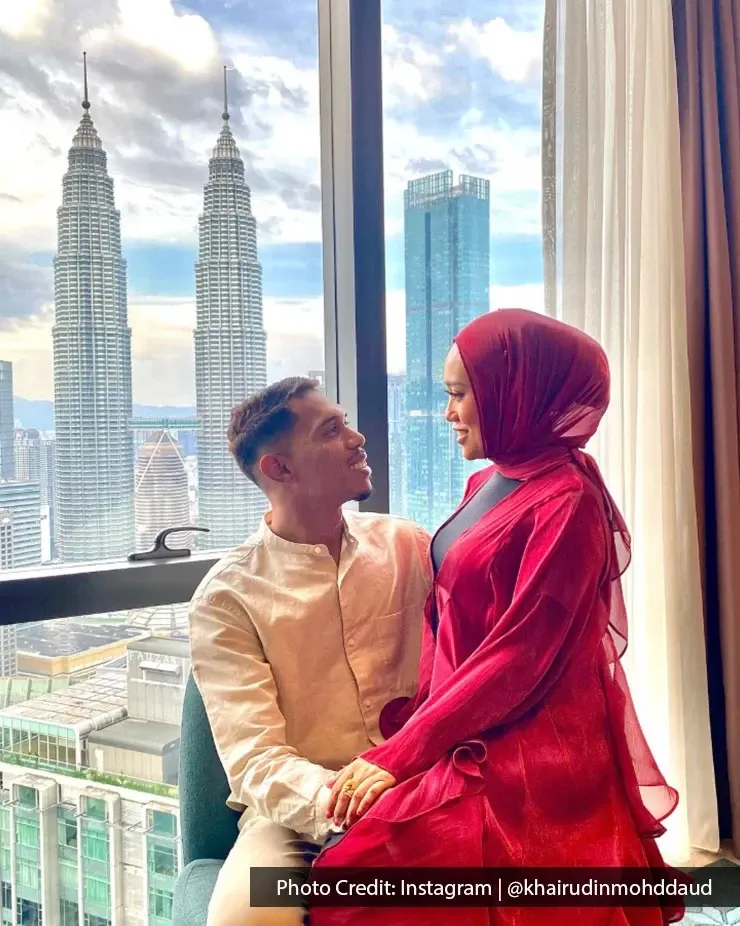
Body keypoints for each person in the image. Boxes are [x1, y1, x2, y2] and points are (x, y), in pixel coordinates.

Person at [311, 310, 683, 926]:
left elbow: (520, 658)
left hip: (529, 753)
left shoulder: (567, 502)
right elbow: (454, 617)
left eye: (460, 395)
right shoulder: (488, 479)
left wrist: (401, 755)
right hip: (469, 723)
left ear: (518, 393)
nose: (448, 413)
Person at [188, 377, 431, 926]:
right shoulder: (226, 598)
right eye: (331, 430)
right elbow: (255, 760)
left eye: (345, 423)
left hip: (423, 779)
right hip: (294, 815)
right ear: (279, 469)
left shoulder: (407, 547)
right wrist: (347, 801)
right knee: (246, 917)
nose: (357, 438)